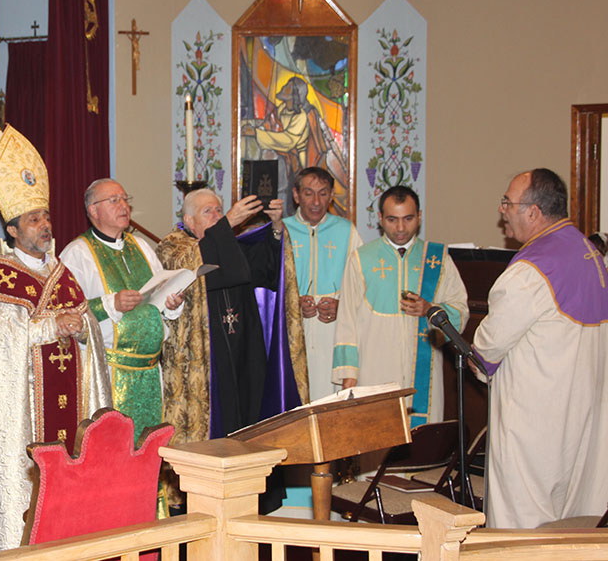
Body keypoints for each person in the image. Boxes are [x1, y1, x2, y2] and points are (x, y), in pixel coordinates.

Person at [0, 125, 112, 556]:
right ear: (12, 230)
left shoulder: (62, 273)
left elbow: (90, 330)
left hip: (68, 405)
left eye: (45, 216)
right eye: (33, 219)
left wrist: (82, 329)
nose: (44, 225)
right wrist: (51, 327)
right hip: (22, 418)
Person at [473, 169, 608, 528]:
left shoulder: (531, 270)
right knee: (572, 527)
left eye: (508, 202)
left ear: (532, 212)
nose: (503, 210)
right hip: (582, 418)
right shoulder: (590, 254)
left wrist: (476, 360)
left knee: (523, 531)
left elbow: (486, 349)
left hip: (535, 426)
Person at [157, 188, 297, 441]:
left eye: (219, 210)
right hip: (205, 357)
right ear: (188, 220)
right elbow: (191, 264)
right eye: (207, 212)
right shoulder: (172, 246)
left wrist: (276, 227)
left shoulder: (232, 243)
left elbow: (266, 270)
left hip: (243, 348)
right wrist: (227, 223)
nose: (216, 216)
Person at [60, 179, 184, 442]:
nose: (124, 206)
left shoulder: (142, 247)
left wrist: (172, 303)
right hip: (109, 370)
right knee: (112, 449)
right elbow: (65, 313)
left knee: (148, 448)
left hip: (149, 370)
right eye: (114, 200)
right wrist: (110, 304)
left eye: (125, 199)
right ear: (93, 210)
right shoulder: (77, 253)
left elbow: (159, 295)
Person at [332, 185, 468, 427]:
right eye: (392, 220)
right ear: (381, 220)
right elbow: (346, 321)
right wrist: (349, 375)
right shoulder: (361, 259)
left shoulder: (437, 258)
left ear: (420, 216)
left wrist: (430, 309)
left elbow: (461, 308)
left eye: (408, 218)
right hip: (374, 369)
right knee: (377, 437)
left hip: (422, 373)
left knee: (421, 445)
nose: (401, 228)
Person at [282, 167, 362, 401]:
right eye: (309, 193)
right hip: (294, 329)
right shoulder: (282, 230)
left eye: (323, 193)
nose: (316, 202)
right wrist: (292, 304)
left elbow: (362, 285)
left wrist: (342, 305)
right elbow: (266, 290)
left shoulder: (347, 231)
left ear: (331, 196)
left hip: (335, 327)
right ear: (296, 195)